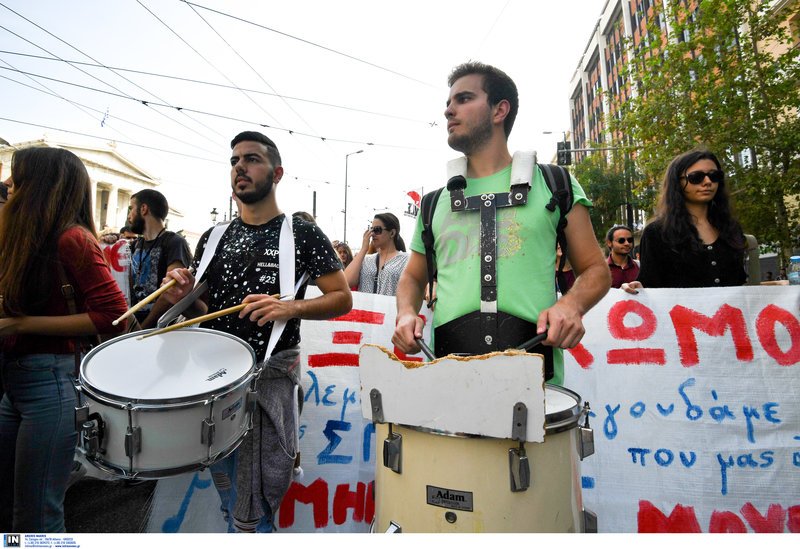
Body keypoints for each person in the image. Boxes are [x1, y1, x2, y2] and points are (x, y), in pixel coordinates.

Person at [162, 131, 351, 533]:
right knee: (228, 489)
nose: (239, 168)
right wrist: (181, 293)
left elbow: (342, 298)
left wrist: (290, 306)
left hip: (265, 381)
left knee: (254, 502)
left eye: (251, 159)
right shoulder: (215, 236)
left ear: (277, 172)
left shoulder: (301, 233)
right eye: (234, 161)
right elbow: (204, 310)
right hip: (213, 381)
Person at [392, 61, 610, 385]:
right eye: (448, 103)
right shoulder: (434, 203)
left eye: (463, 99)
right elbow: (412, 276)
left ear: (499, 110)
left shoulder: (554, 183)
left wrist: (571, 305)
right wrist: (406, 312)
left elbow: (596, 270)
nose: (449, 111)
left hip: (536, 387)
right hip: (450, 383)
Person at [0, 146, 128, 532]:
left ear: (40, 186)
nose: (8, 185)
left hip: (50, 384)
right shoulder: (25, 236)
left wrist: (20, 325)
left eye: (16, 179)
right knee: (11, 502)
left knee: (38, 513)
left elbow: (114, 316)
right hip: (16, 385)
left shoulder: (73, 239)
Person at [623, 149, 746, 292]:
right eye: (696, 177)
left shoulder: (731, 228)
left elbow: (741, 284)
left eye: (714, 176)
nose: (707, 182)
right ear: (677, 182)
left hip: (731, 313)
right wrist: (634, 289)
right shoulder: (656, 233)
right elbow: (650, 285)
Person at [127, 189, 192, 328]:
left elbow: (171, 291)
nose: (129, 216)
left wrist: (142, 328)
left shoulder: (174, 242)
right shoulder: (135, 245)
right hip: (134, 325)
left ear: (143, 209)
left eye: (131, 208)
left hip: (159, 330)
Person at [344, 213, 409, 296]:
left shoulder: (406, 260)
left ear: (392, 233)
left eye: (377, 230)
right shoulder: (365, 260)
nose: (372, 234)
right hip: (366, 308)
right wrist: (364, 249)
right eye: (371, 230)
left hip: (391, 308)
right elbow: (346, 282)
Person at [605, 224, 639, 288]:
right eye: (621, 241)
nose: (627, 243)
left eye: (630, 240)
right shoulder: (600, 269)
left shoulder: (639, 266)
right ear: (609, 243)